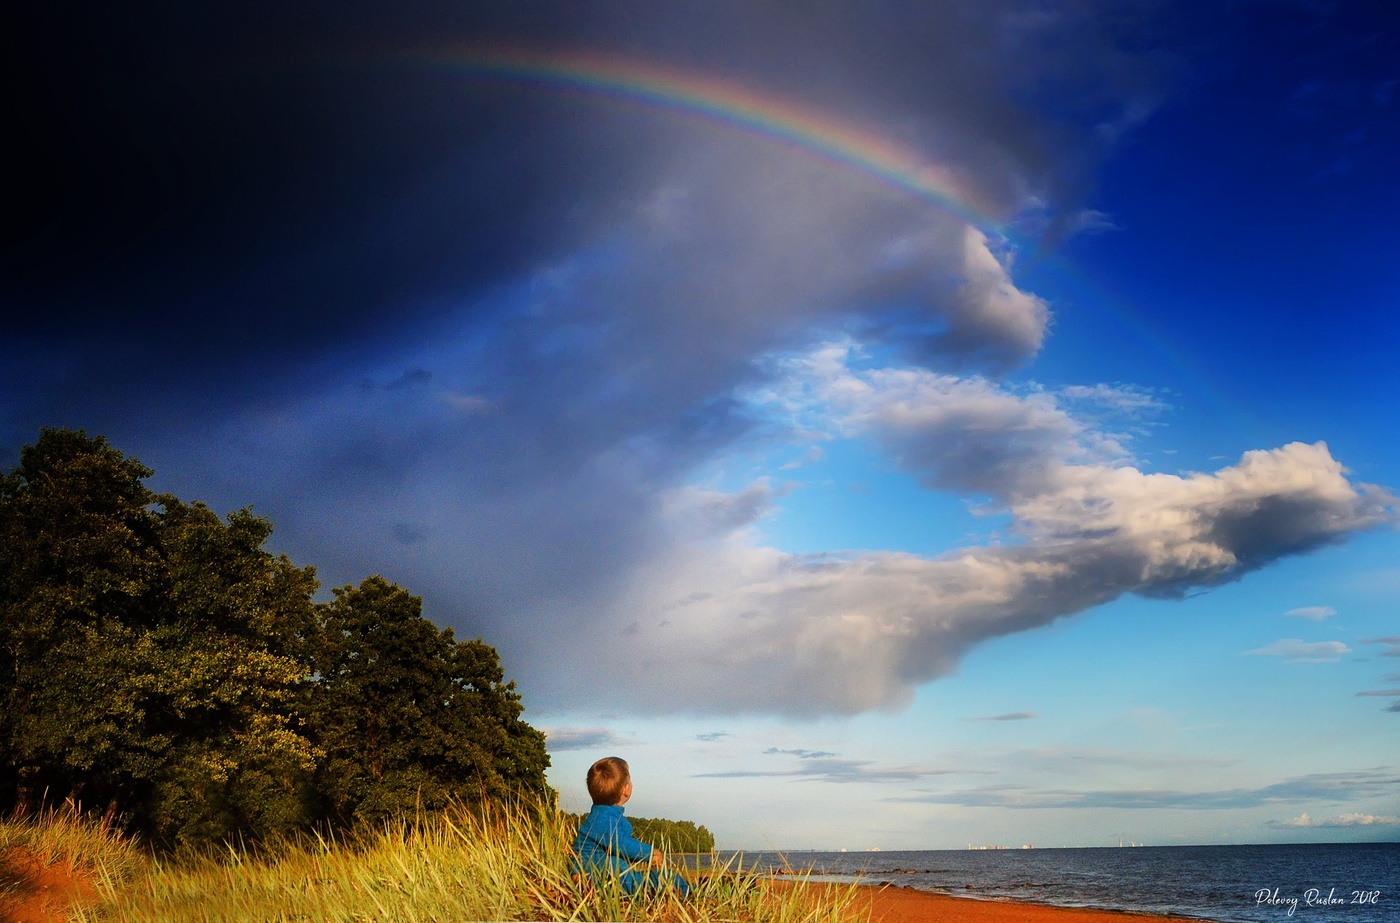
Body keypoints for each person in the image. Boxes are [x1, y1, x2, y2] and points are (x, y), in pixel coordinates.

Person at [572, 756, 691, 897]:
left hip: (606, 874)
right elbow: (620, 844)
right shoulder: (603, 819)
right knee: (665, 876)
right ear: (626, 789)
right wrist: (651, 853)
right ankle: (691, 892)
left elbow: (620, 848)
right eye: (630, 780)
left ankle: (678, 890)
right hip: (600, 876)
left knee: (647, 879)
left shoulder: (603, 816)